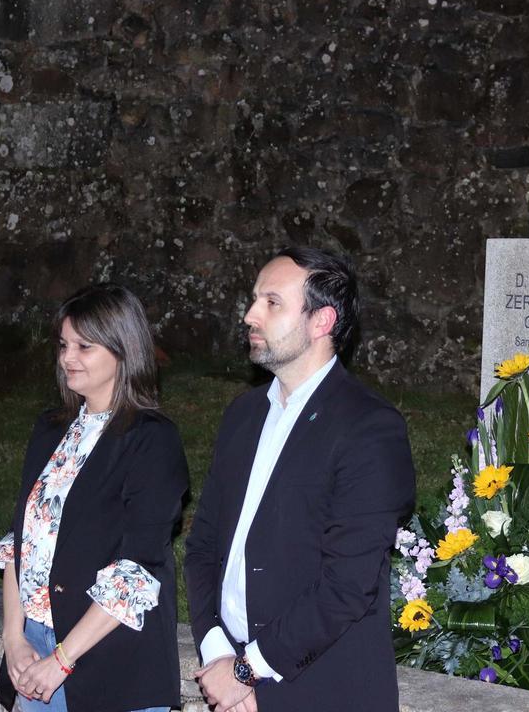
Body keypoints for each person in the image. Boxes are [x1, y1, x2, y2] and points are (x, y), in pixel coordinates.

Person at [184, 246, 415, 712]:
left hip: (320, 688)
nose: (250, 314)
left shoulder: (369, 428)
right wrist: (217, 651)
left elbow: (347, 586)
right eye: (254, 300)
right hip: (227, 679)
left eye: (272, 302)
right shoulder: (243, 415)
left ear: (321, 322)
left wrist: (247, 670)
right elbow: (204, 543)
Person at [0, 283, 189, 712]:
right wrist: (14, 638)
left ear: (123, 350)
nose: (67, 358)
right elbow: (18, 543)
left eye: (84, 346)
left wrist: (62, 660)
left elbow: (138, 571)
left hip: (111, 662)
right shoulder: (51, 429)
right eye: (63, 345)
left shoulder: (152, 440)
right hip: (34, 650)